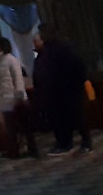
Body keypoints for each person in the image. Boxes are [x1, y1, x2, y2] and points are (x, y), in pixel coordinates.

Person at [35, 26, 91, 155]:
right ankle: (64, 143)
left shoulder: (64, 47)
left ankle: (86, 142)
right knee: (59, 119)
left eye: (42, 33)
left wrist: (77, 83)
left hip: (69, 88)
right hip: (54, 91)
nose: (41, 36)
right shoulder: (47, 50)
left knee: (77, 116)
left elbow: (78, 65)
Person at [0, 38, 36, 159]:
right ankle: (13, 150)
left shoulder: (12, 60)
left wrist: (19, 96)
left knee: (24, 125)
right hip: (4, 96)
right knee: (9, 127)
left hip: (14, 96)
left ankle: (31, 148)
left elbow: (18, 78)